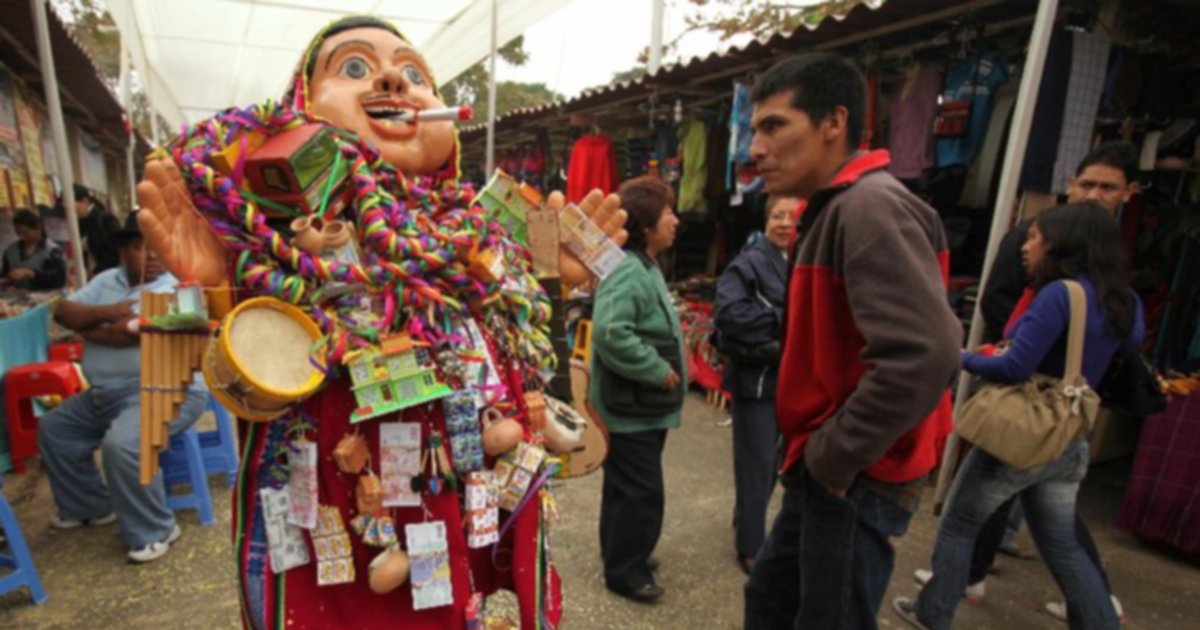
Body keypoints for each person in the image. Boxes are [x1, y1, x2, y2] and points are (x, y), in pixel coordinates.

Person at [135, 15, 626, 629]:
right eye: (355, 68)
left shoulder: (479, 238)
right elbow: (254, 398)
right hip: (342, 523)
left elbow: (529, 383)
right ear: (301, 111)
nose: (394, 78)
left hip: (469, 514)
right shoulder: (277, 245)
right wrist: (222, 288)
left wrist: (550, 280)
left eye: (417, 75)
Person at [741, 52, 961, 629]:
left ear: (833, 123)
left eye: (774, 126)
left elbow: (927, 350)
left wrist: (835, 456)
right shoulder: (840, 207)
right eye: (754, 129)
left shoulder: (869, 207)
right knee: (770, 600)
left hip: (855, 476)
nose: (755, 148)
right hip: (831, 470)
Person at [894, 202, 1144, 630]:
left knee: (959, 524)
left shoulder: (1060, 294)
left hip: (1023, 433)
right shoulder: (1126, 301)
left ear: (1063, 244)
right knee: (1063, 543)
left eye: (1034, 236)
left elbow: (1015, 367)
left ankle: (932, 614)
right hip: (1069, 437)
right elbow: (1126, 353)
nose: (1026, 246)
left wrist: (959, 357)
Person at [37, 211, 205, 563]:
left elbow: (157, 330)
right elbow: (64, 314)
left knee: (124, 444)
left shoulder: (183, 283)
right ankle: (91, 507)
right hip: (103, 393)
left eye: (160, 246)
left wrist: (98, 325)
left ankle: (157, 529)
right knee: (55, 429)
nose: (154, 255)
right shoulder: (106, 280)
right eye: (142, 247)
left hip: (167, 390)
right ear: (123, 252)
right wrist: (112, 312)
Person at [590, 175, 684, 604]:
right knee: (641, 491)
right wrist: (657, 370)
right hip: (632, 405)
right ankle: (627, 571)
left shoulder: (643, 263)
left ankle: (623, 552)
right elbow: (611, 332)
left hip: (639, 407)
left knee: (625, 487)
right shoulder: (628, 268)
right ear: (646, 223)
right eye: (668, 213)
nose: (676, 221)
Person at [714, 194, 795, 574]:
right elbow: (730, 315)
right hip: (757, 381)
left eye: (792, 218)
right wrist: (784, 318)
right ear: (766, 221)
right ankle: (750, 546)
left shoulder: (799, 262)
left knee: (772, 464)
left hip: (786, 381)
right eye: (777, 215)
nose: (784, 224)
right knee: (757, 464)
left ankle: (746, 519)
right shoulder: (749, 263)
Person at [2, 208, 66, 290]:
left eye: (25, 233)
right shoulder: (10, 251)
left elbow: (59, 281)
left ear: (38, 229)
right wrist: (9, 277)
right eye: (18, 233)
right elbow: (5, 275)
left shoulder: (52, 251)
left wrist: (32, 273)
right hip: (20, 297)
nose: (21, 236)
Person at [70, 184, 121, 275]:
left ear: (84, 201)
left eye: (70, 203)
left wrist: (98, 272)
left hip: (108, 277)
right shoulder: (78, 223)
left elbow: (116, 250)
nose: (65, 207)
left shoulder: (105, 220)